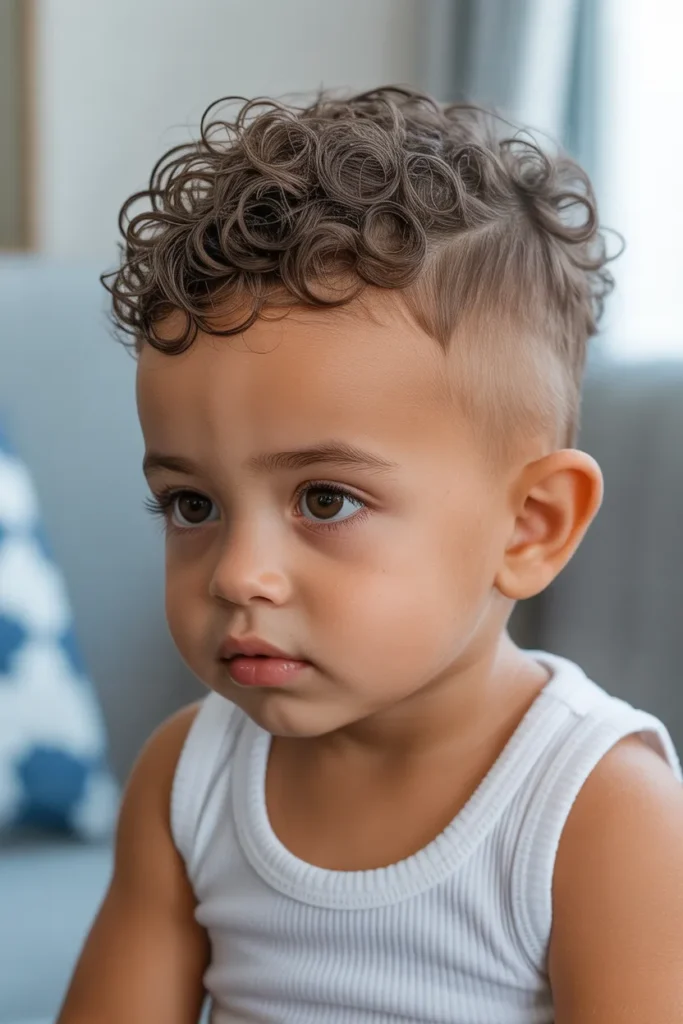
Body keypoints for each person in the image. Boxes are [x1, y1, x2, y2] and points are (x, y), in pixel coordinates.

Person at [57, 87, 683, 1024]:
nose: (236, 574)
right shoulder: (188, 778)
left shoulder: (596, 810)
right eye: (193, 505)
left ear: (530, 526)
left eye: (325, 500)